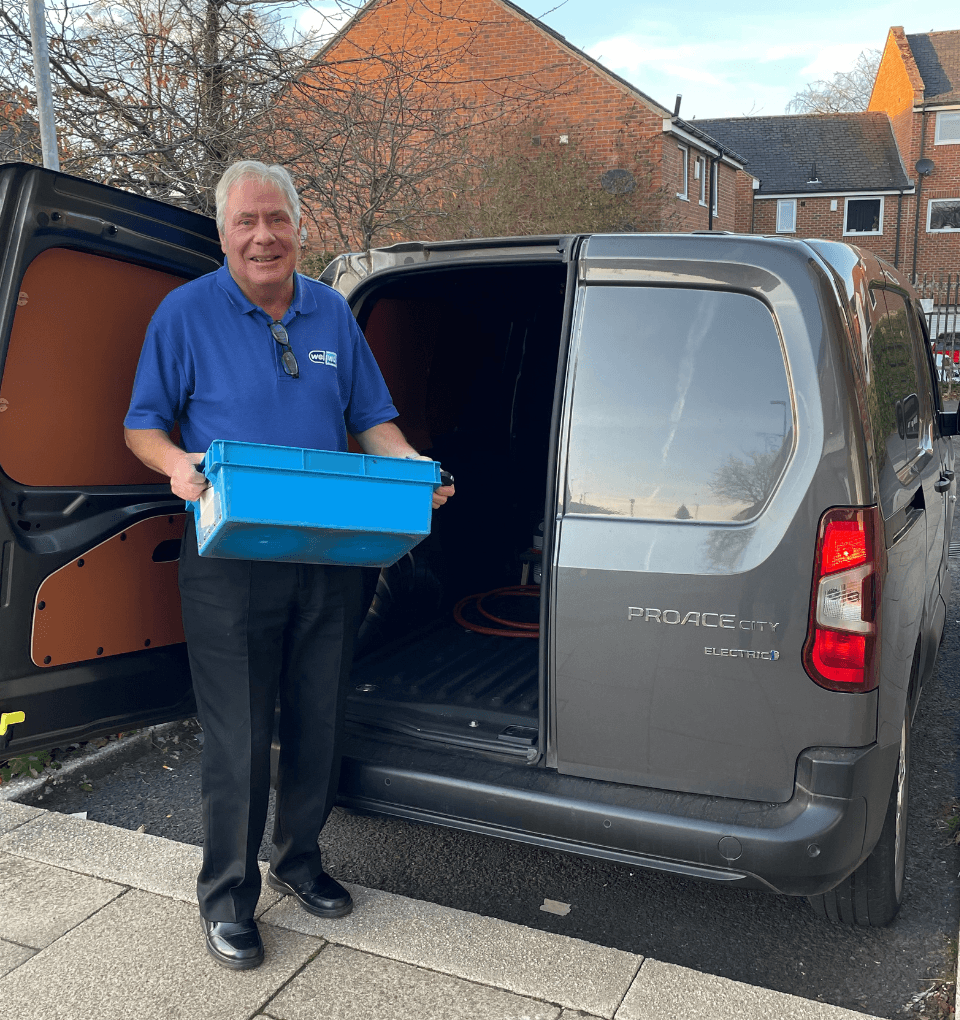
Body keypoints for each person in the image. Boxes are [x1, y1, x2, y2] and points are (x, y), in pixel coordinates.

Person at [123, 160, 454, 970]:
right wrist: (173, 466)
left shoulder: (333, 313)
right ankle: (228, 899)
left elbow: (373, 419)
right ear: (224, 232)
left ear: (301, 227)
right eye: (246, 222)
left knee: (318, 718)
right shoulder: (184, 314)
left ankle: (299, 862)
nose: (263, 236)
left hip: (333, 554)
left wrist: (416, 472)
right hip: (230, 559)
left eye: (277, 219)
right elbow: (142, 425)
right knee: (238, 734)